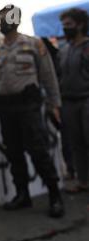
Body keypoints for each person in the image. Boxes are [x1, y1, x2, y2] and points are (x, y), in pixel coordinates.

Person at [0, 4, 65, 218]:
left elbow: (48, 76)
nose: (4, 21)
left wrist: (54, 104)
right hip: (6, 108)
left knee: (38, 150)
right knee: (14, 152)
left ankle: (55, 195)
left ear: (16, 20)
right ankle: (22, 194)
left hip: (29, 107)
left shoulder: (34, 44)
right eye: (1, 17)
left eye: (8, 17)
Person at [58, 8, 89, 194]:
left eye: (68, 25)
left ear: (81, 25)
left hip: (86, 100)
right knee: (76, 144)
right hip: (69, 102)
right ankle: (83, 181)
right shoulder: (64, 50)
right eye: (63, 25)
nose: (65, 28)